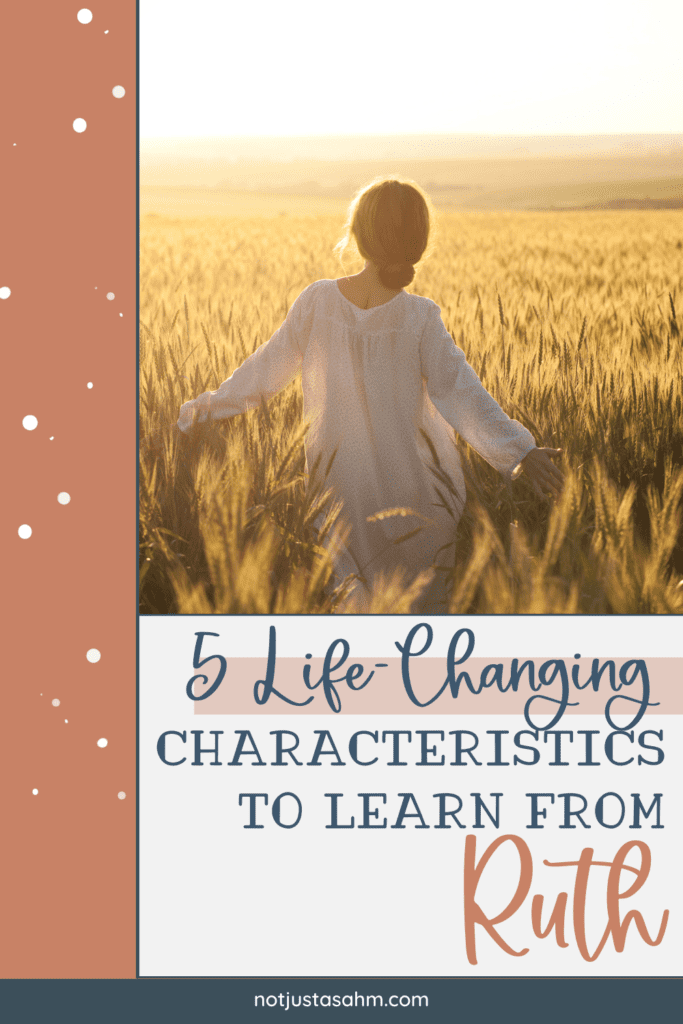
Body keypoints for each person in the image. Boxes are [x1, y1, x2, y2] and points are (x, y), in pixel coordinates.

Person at [177, 176, 563, 611]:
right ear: (418, 244)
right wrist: (520, 452)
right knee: (420, 627)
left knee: (352, 619)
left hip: (339, 498)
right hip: (421, 502)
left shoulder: (318, 302)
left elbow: (263, 373)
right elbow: (463, 394)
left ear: (358, 235)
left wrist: (199, 411)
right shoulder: (419, 318)